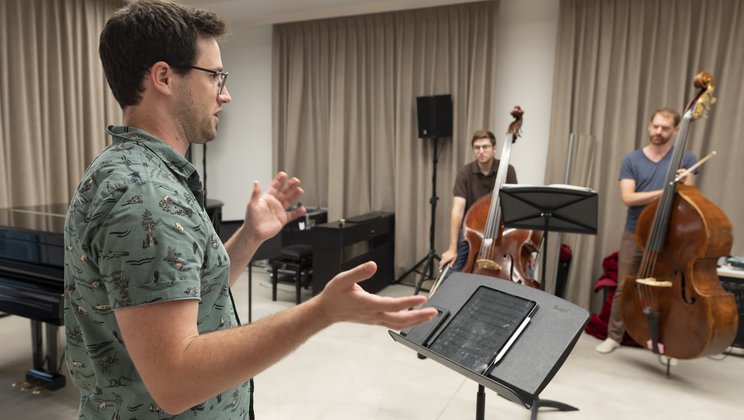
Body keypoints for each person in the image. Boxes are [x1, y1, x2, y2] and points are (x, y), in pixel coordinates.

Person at [63, 1, 437, 418]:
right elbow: (175, 379)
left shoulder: (125, 169)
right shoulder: (145, 193)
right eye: (215, 76)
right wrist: (321, 312)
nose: (225, 93)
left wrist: (250, 237)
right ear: (164, 77)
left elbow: (191, 291)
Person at [596, 107, 697, 355]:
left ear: (675, 130)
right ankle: (614, 336)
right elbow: (629, 198)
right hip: (635, 232)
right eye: (655, 126)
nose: (658, 132)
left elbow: (690, 199)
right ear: (649, 126)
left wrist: (684, 184)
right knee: (625, 286)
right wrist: (665, 190)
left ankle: (662, 339)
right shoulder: (631, 160)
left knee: (666, 289)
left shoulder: (687, 159)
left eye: (665, 128)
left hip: (670, 237)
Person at [438, 130, 517, 271]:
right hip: (472, 231)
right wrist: (452, 248)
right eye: (477, 147)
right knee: (452, 269)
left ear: (494, 148)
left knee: (524, 268)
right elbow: (457, 210)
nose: (481, 151)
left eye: (485, 147)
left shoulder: (508, 170)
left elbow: (514, 207)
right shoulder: (465, 173)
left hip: (501, 231)